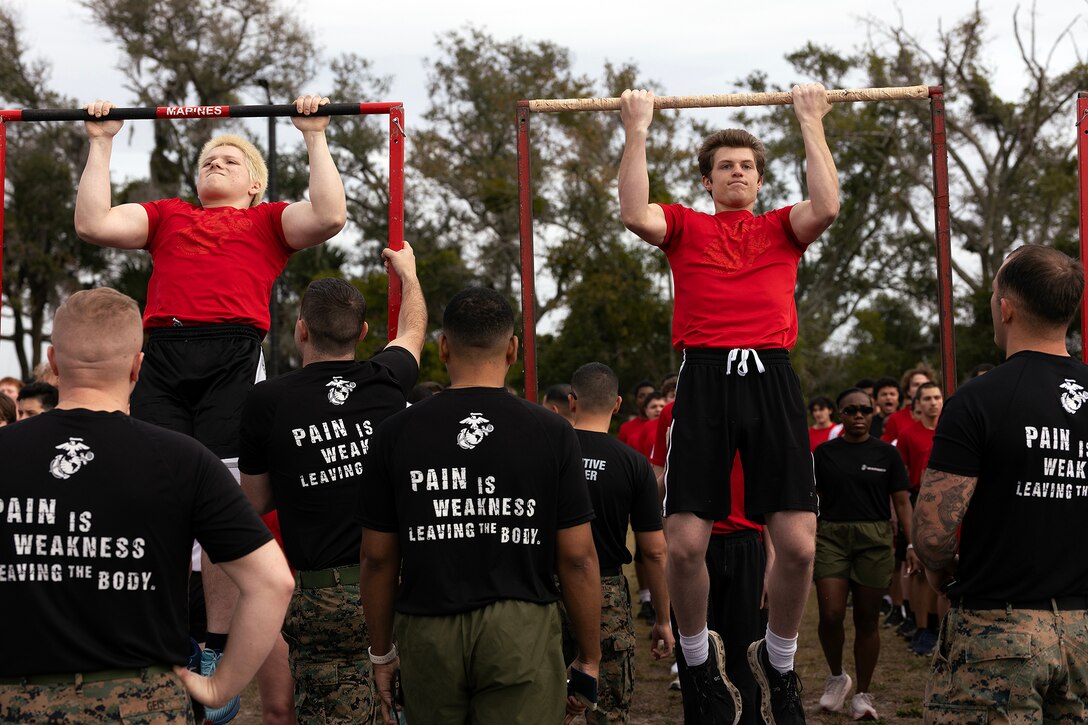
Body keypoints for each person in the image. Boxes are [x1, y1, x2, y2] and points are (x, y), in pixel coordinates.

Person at [75, 94, 347, 722]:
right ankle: (159, 633)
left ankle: (216, 648)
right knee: (154, 494)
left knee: (222, 500)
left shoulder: (266, 221)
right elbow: (93, 224)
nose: (215, 164)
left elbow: (329, 215)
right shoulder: (168, 216)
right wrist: (101, 141)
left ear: (255, 184)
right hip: (164, 351)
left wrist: (313, 135)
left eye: (230, 159)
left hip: (231, 352)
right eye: (208, 160)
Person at [619, 82, 838, 724]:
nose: (737, 172)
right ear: (709, 183)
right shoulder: (686, 226)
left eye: (746, 165)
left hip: (770, 376)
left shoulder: (781, 228)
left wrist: (810, 120)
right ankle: (697, 660)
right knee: (684, 544)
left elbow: (826, 204)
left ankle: (781, 660)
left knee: (797, 545)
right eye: (725, 166)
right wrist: (638, 127)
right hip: (706, 377)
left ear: (761, 181)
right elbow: (635, 213)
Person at [0, 288, 294, 723]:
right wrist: (220, 685)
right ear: (140, 365)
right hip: (145, 703)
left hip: (18, 702)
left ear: (54, 361)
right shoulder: (185, 460)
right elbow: (272, 582)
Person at [358, 287, 601, 725]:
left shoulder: (396, 433)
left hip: (428, 624)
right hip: (521, 627)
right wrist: (589, 658)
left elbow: (377, 559)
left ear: (443, 347)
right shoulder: (552, 431)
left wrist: (381, 653)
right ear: (512, 350)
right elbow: (579, 558)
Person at [238, 247, 425, 724]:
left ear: (301, 329)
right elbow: (414, 330)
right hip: (398, 588)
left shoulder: (267, 400)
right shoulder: (387, 381)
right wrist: (408, 275)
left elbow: (254, 501)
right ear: (362, 334)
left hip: (324, 595)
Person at [913, 244, 1088, 722]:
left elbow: (932, 532)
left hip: (998, 631)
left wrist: (938, 572)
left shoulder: (977, 400)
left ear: (1006, 307)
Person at [650, 399, 772, 725]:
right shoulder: (674, 410)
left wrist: (771, 559)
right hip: (692, 548)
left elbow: (771, 491)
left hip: (746, 545)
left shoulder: (756, 405)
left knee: (746, 653)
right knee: (696, 655)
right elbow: (657, 481)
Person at [565, 361, 673, 723]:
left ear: (571, 401)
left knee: (540, 702)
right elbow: (655, 552)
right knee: (608, 709)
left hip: (543, 590)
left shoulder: (545, 452)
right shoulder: (633, 463)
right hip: (605, 592)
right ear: (617, 404)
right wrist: (662, 618)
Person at [812, 388, 917, 721]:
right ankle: (836, 678)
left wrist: (912, 544)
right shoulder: (823, 453)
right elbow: (809, 498)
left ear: (873, 414)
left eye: (864, 410)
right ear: (840, 415)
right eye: (850, 410)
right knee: (830, 614)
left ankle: (863, 694)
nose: (858, 416)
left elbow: (902, 502)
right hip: (831, 536)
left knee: (867, 619)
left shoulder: (887, 455)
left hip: (874, 538)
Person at [896, 381, 944, 657]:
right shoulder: (907, 434)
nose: (933, 403)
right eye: (927, 398)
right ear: (918, 403)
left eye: (937, 397)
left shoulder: (949, 430)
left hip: (946, 500)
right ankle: (922, 627)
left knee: (943, 565)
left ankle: (940, 627)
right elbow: (902, 476)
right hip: (917, 500)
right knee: (919, 566)